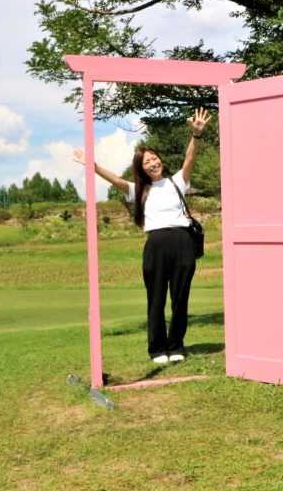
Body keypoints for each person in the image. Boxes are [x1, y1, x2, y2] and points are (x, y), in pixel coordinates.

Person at [73, 108, 212, 364]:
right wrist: (92, 166)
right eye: (147, 161)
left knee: (180, 298)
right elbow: (115, 179)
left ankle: (176, 345)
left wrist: (196, 135)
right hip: (156, 244)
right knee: (156, 298)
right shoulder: (137, 190)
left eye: (155, 157)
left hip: (182, 242)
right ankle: (158, 349)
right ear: (142, 167)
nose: (153, 162)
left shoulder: (177, 182)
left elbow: (189, 159)